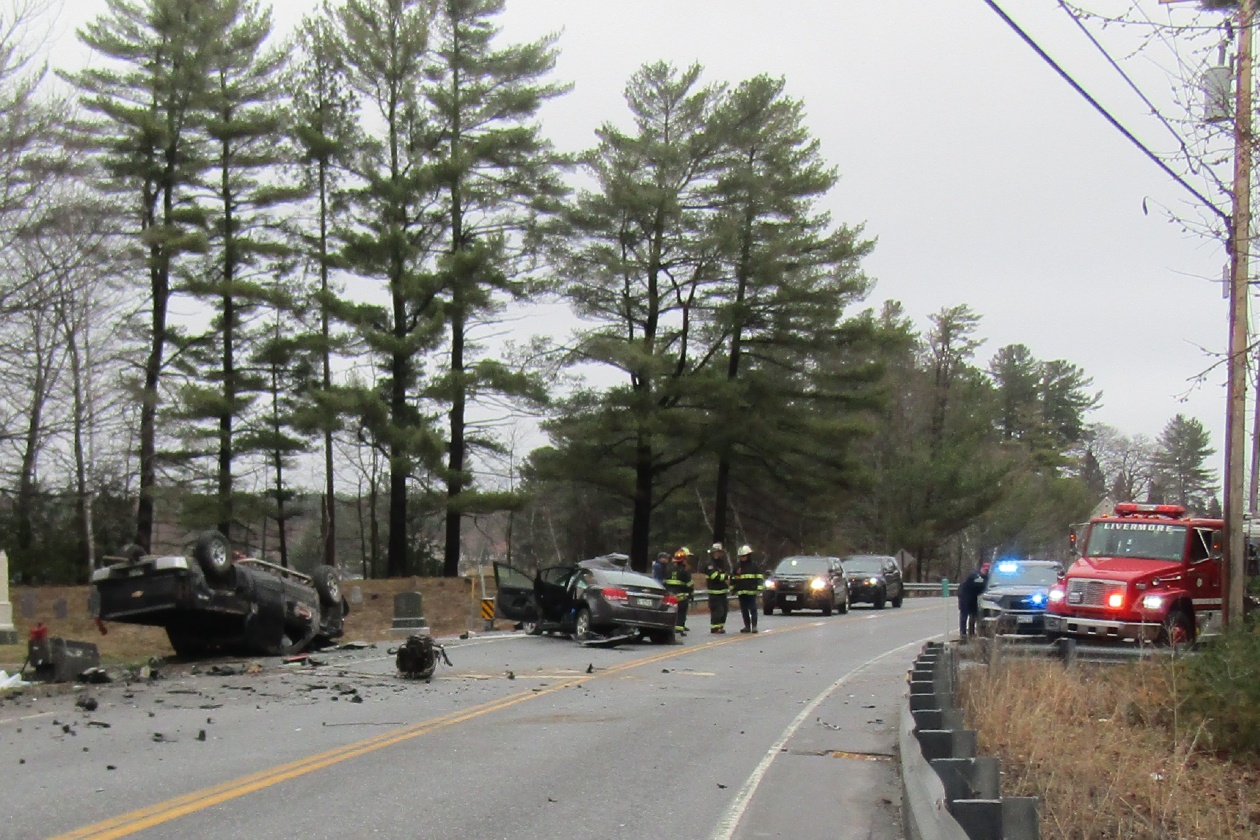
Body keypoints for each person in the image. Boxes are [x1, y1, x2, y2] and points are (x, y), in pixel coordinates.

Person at [663, 548, 695, 636]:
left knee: (670, 612)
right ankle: (679, 629)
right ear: (683, 560)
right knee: (681, 613)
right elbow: (689, 585)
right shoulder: (685, 571)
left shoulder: (668, 569)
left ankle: (669, 628)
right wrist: (691, 594)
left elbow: (664, 583)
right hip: (680, 596)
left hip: (669, 596)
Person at [732, 545, 763, 633]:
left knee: (753, 609)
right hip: (741, 592)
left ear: (748, 555)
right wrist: (733, 589)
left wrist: (759, 588)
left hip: (751, 591)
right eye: (741, 556)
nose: (742, 558)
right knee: (744, 610)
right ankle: (747, 626)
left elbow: (760, 578)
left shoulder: (754, 566)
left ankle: (754, 626)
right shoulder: (737, 566)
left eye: (744, 556)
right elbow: (733, 578)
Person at [957, 561, 990, 639]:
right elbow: (978, 585)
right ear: (982, 568)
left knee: (973, 616)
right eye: (985, 569)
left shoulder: (987, 578)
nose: (986, 571)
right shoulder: (975, 576)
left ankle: (971, 633)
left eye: (988, 570)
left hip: (974, 598)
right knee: (964, 615)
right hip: (965, 597)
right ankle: (963, 634)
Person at [704, 543, 730, 634]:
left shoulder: (721, 563)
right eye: (717, 552)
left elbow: (724, 574)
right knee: (717, 611)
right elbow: (715, 576)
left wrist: (724, 575)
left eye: (720, 552)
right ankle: (715, 628)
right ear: (713, 553)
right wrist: (725, 576)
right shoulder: (709, 564)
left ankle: (720, 627)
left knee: (724, 610)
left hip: (722, 591)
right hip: (714, 592)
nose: (718, 554)